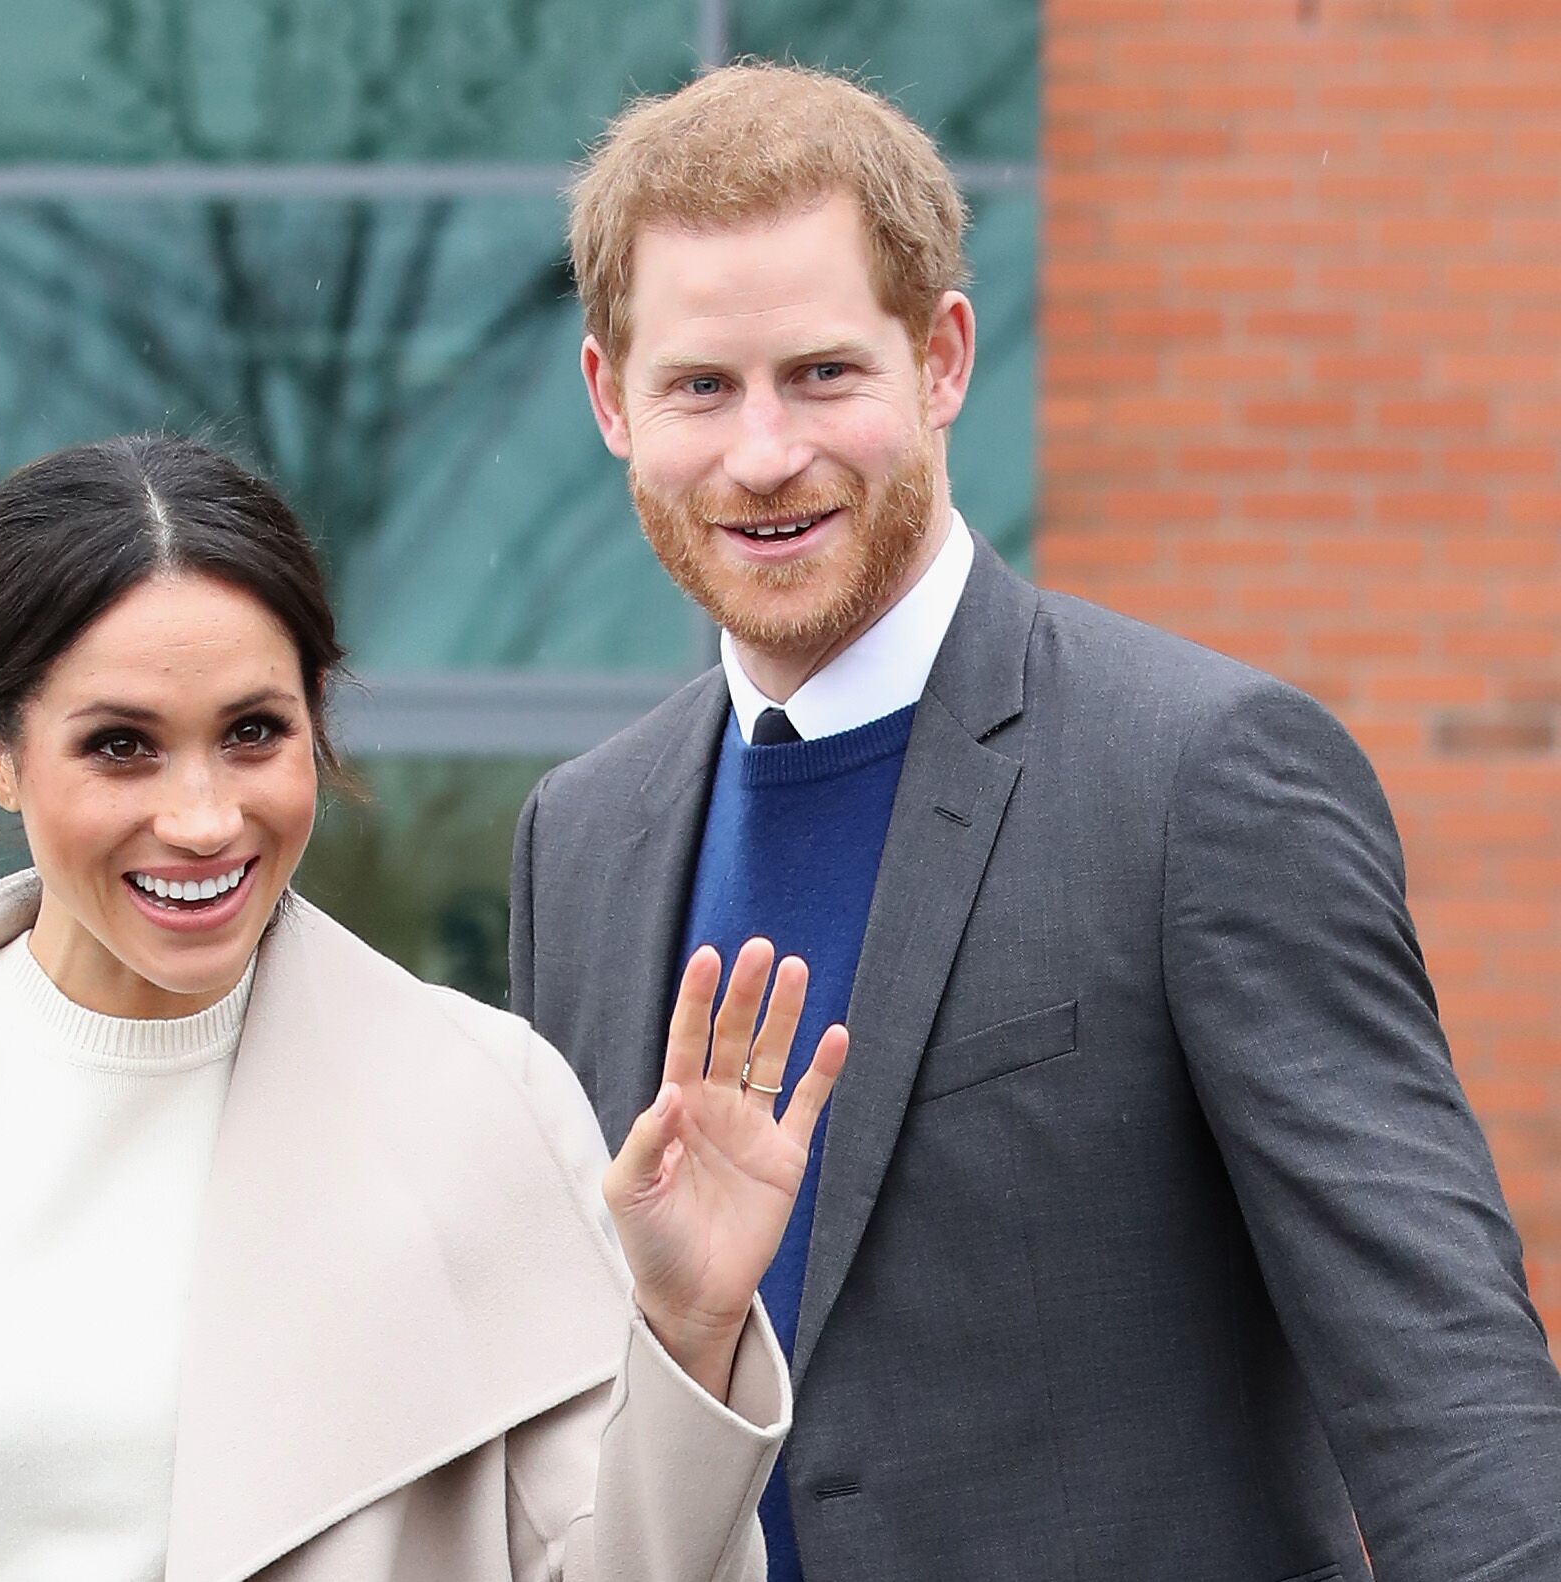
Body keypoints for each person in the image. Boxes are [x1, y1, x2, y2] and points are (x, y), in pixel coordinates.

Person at [0, 433, 848, 1582]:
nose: (203, 815)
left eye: (256, 730)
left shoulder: (482, 1099)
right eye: (121, 745)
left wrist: (689, 1332)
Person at [509, 61, 1561, 1582]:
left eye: (822, 373)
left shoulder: (1200, 773)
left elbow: (1442, 1370)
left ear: (942, 361)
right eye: (699, 387)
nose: (760, 454)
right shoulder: (581, 837)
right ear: (613, 399)